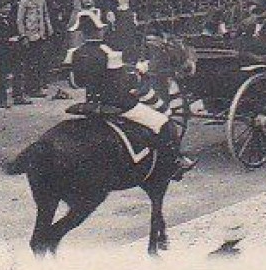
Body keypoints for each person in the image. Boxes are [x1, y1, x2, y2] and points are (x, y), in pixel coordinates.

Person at [66, 10, 192, 179]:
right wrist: (138, 72)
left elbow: (75, 83)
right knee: (164, 120)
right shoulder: (108, 53)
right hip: (117, 104)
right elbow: (123, 83)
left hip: (90, 102)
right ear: (100, 30)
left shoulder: (74, 53)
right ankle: (175, 163)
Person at [15, 0, 53, 102]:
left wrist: (48, 27)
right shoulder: (24, 1)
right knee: (30, 63)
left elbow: (45, 14)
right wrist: (23, 35)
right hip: (29, 35)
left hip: (40, 33)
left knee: (39, 61)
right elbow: (20, 20)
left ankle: (37, 87)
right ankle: (30, 88)